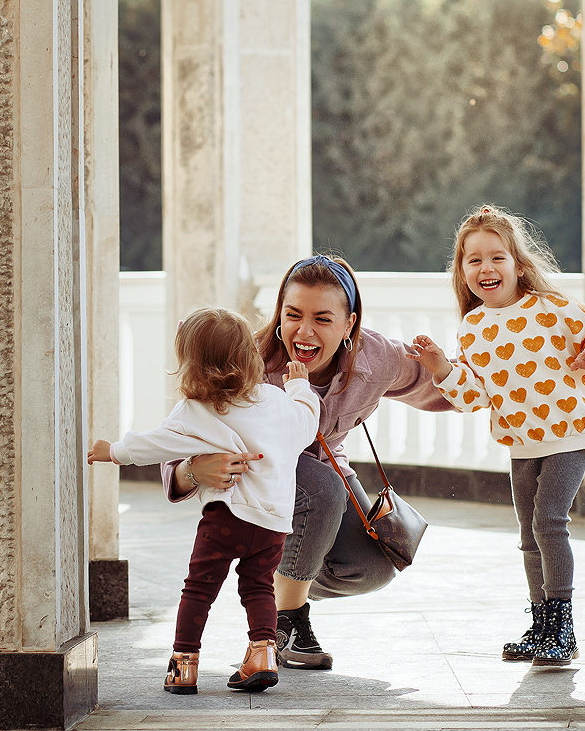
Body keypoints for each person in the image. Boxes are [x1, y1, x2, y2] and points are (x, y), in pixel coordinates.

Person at [162, 255, 453, 671]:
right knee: (320, 487)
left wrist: (516, 390)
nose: (304, 331)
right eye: (293, 315)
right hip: (263, 486)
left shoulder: (377, 357)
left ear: (349, 323)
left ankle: (273, 582)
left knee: (370, 568)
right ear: (279, 312)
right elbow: (178, 438)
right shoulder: (248, 360)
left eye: (322, 318)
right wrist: (190, 470)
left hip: (327, 478)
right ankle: (286, 624)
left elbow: (444, 386)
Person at [408, 205, 585, 667]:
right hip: (521, 438)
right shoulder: (473, 328)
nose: (486, 268)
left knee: (549, 521)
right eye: (474, 260)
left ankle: (563, 628)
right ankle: (542, 623)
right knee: (529, 534)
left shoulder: (553, 309)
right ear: (462, 270)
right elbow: (473, 396)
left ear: (518, 264)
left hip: (572, 428)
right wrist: (441, 367)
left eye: (497, 258)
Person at [88, 308, 319, 694]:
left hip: (226, 519)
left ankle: (183, 666)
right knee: (260, 587)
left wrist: (113, 450)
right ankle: (262, 653)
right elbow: (307, 421)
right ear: (251, 356)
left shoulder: (196, 410)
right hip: (273, 526)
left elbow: (153, 444)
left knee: (198, 589)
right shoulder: (278, 402)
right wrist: (299, 386)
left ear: (192, 365)